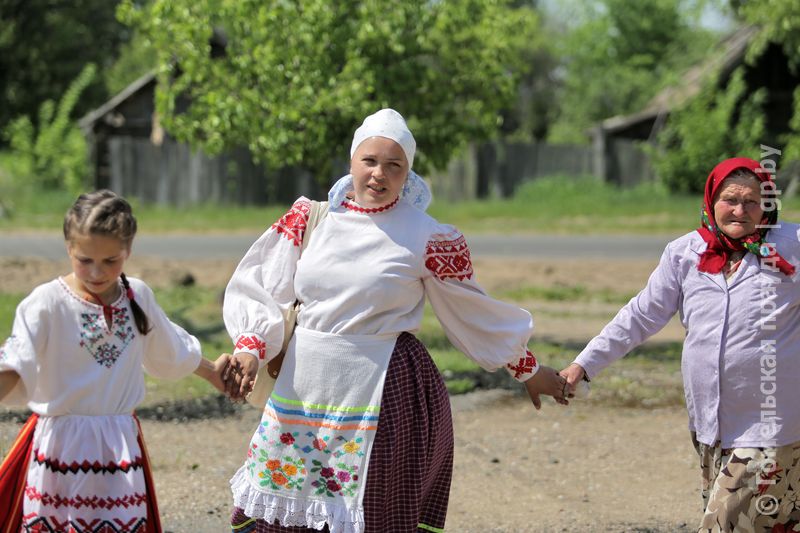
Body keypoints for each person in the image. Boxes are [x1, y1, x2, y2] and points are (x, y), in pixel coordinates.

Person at [221, 108, 567, 533]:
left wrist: (527, 369)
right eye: (369, 161)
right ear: (351, 162)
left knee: (371, 508)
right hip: (304, 387)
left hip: (385, 390)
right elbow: (263, 285)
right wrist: (251, 348)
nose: (378, 174)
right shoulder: (311, 219)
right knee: (288, 498)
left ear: (409, 173)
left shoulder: (427, 235)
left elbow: (471, 311)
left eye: (393, 165)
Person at [561, 157, 800, 532]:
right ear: (711, 200)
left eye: (752, 201)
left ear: (767, 205)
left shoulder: (793, 246)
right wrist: (584, 364)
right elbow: (640, 316)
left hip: (773, 424)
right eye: (730, 199)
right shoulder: (685, 253)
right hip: (710, 424)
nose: (740, 210)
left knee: (722, 524)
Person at [0, 190, 230, 532]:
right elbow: (16, 363)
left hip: (118, 447)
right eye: (84, 259)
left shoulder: (136, 296)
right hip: (61, 447)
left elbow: (171, 349)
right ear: (68, 247)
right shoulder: (46, 303)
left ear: (128, 250)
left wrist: (213, 373)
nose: (96, 272)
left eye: (111, 261)